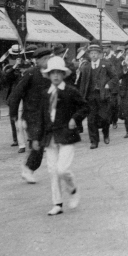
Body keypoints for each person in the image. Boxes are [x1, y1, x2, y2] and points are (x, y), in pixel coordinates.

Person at [34, 56, 89, 216]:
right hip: (50, 136)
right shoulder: (45, 93)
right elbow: (41, 117)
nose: (56, 76)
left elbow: (84, 107)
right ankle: (57, 203)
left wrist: (74, 119)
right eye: (53, 73)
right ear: (48, 75)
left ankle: (72, 189)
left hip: (66, 135)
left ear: (63, 74)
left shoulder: (70, 91)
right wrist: (36, 138)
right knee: (52, 170)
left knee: (62, 169)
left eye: (59, 73)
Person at [9, 47, 52, 182]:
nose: (47, 61)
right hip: (32, 115)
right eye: (44, 59)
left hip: (46, 115)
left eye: (48, 58)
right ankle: (28, 169)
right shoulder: (31, 73)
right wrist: (14, 113)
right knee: (37, 142)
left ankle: (29, 166)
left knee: (41, 143)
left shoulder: (52, 73)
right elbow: (16, 94)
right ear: (37, 61)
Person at [77, 43, 116, 149]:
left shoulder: (106, 65)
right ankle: (94, 141)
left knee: (104, 118)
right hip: (90, 96)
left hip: (103, 95)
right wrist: (81, 97)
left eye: (96, 53)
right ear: (89, 55)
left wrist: (108, 84)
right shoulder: (86, 67)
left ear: (99, 54)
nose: (93, 55)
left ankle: (106, 133)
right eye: (91, 53)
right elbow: (83, 83)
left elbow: (115, 78)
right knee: (91, 119)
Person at [2, 46, 26, 151]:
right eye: (15, 55)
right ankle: (17, 140)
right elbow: (6, 78)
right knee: (14, 118)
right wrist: (15, 66)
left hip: (26, 96)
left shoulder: (27, 64)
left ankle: (29, 138)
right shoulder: (9, 67)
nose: (17, 57)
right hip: (14, 96)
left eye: (18, 55)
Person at [103, 42, 122, 130]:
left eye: (106, 48)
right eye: (103, 48)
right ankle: (108, 121)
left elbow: (117, 73)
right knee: (106, 104)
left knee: (114, 104)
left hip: (113, 85)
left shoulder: (115, 58)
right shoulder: (102, 58)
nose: (104, 50)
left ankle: (114, 120)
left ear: (110, 48)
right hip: (104, 85)